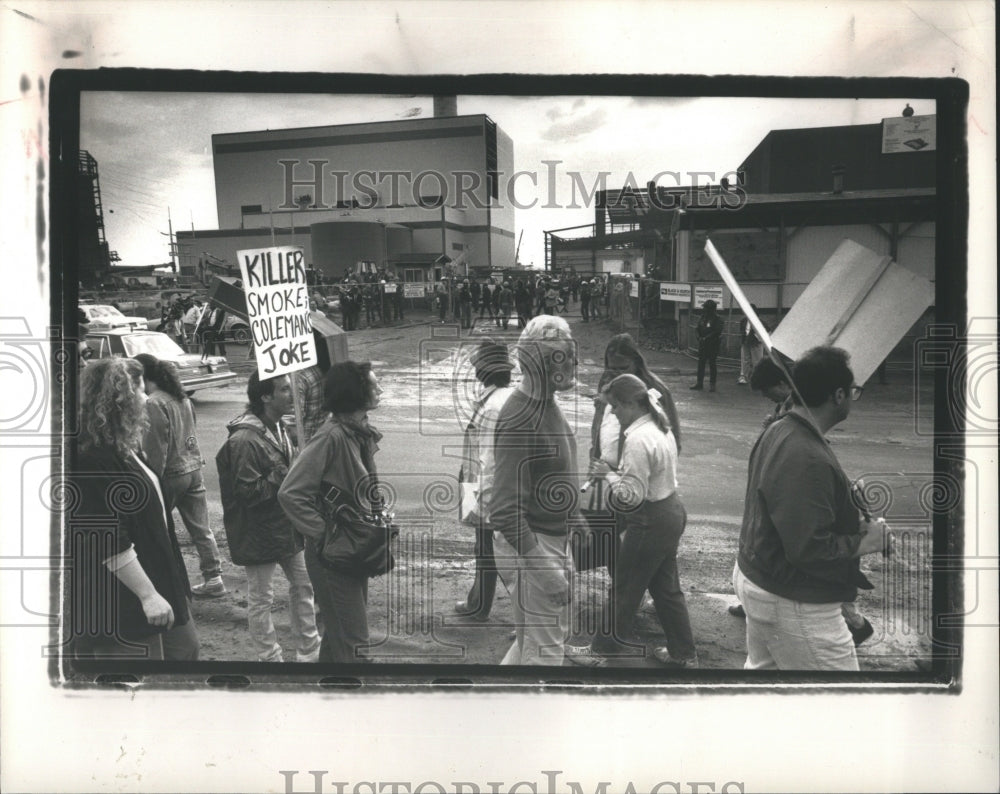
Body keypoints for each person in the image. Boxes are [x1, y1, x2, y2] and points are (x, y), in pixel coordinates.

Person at [734, 346, 889, 670]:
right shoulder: (806, 456)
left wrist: (843, 498)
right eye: (853, 391)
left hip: (763, 579)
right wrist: (866, 542)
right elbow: (809, 549)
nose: (853, 398)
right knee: (837, 703)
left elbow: (784, 507)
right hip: (795, 598)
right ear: (838, 395)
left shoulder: (780, 429)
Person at [71, 358, 199, 660]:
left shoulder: (126, 447)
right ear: (116, 400)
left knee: (185, 652)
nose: (145, 398)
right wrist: (148, 594)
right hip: (121, 595)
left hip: (159, 573)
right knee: (140, 679)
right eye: (137, 390)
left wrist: (175, 583)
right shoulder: (89, 456)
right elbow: (105, 534)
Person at [575, 374, 697, 668]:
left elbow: (630, 497)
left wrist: (607, 473)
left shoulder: (638, 440)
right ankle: (684, 653)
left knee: (626, 587)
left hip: (649, 519)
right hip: (670, 511)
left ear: (629, 404)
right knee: (666, 589)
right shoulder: (659, 424)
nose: (613, 414)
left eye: (615, 408)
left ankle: (601, 651)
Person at [278, 361, 386, 663]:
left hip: (351, 547)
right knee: (356, 642)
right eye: (373, 385)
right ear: (354, 392)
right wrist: (325, 533)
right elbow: (291, 493)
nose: (380, 390)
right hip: (334, 552)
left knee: (339, 634)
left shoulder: (355, 432)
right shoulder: (332, 436)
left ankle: (324, 694)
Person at [490, 315, 579, 665]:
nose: (573, 364)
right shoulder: (520, 417)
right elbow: (504, 511)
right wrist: (544, 569)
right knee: (545, 654)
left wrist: (574, 522)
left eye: (571, 354)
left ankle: (495, 710)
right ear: (539, 364)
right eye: (563, 357)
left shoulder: (545, 402)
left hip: (550, 540)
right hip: (535, 546)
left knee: (532, 640)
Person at [215, 373, 320, 663]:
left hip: (286, 527)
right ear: (265, 397)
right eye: (285, 389)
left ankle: (309, 650)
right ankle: (269, 657)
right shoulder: (245, 440)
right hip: (258, 531)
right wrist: (288, 471)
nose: (292, 395)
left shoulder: (281, 428)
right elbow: (248, 493)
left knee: (304, 585)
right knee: (262, 597)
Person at [134, 354, 226, 598]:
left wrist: (151, 479)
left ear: (143, 377)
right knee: (201, 529)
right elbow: (191, 431)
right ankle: (214, 577)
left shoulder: (153, 403)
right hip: (193, 467)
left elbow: (156, 447)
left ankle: (165, 581)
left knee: (160, 529)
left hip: (171, 473)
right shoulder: (182, 399)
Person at [455, 340, 515, 620]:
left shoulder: (493, 406)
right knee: (485, 549)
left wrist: (484, 503)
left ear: (484, 371)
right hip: (482, 484)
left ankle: (480, 607)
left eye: (478, 366)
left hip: (487, 489)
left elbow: (489, 459)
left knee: (489, 551)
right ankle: (477, 602)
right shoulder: (500, 398)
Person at [690, 299, 723, 392]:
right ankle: (699, 383)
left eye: (705, 307)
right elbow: (697, 328)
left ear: (711, 309)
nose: (703, 309)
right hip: (702, 344)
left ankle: (712, 384)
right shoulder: (703, 317)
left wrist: (706, 338)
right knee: (701, 364)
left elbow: (717, 331)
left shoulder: (717, 319)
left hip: (713, 344)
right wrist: (698, 337)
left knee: (712, 364)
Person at [738, 304, 764, 385]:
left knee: (757, 361)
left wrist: (759, 339)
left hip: (756, 343)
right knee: (745, 360)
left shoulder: (759, 321)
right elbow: (742, 331)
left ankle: (759, 378)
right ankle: (743, 376)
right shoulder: (743, 321)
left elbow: (767, 331)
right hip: (745, 342)